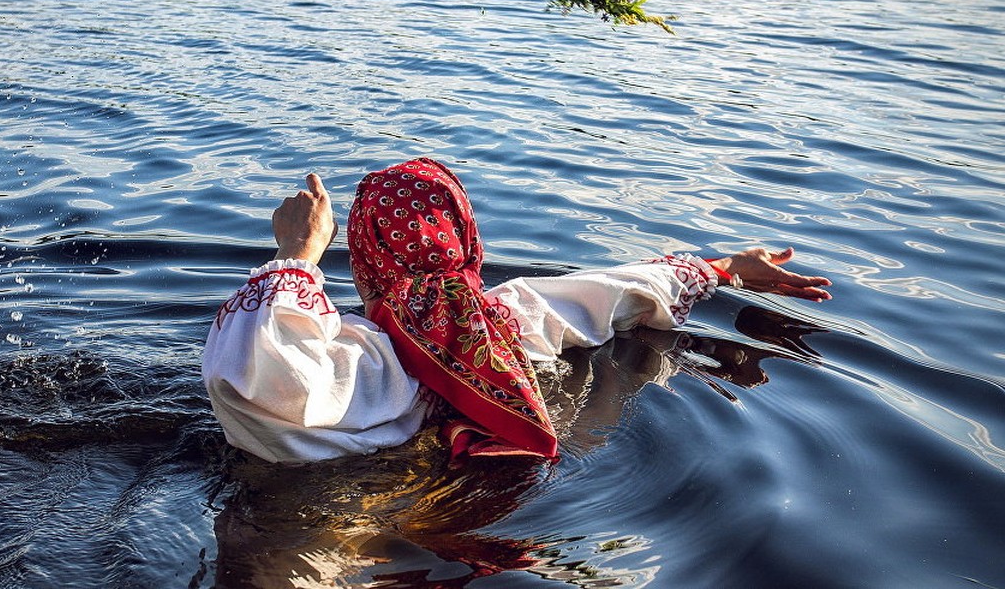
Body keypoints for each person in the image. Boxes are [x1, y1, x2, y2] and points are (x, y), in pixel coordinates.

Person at [201, 158, 832, 464]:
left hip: (306, 509)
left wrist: (297, 253)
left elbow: (261, 376)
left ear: (364, 257)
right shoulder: (508, 323)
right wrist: (728, 268)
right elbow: (623, 289)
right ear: (464, 239)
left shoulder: (359, 358)